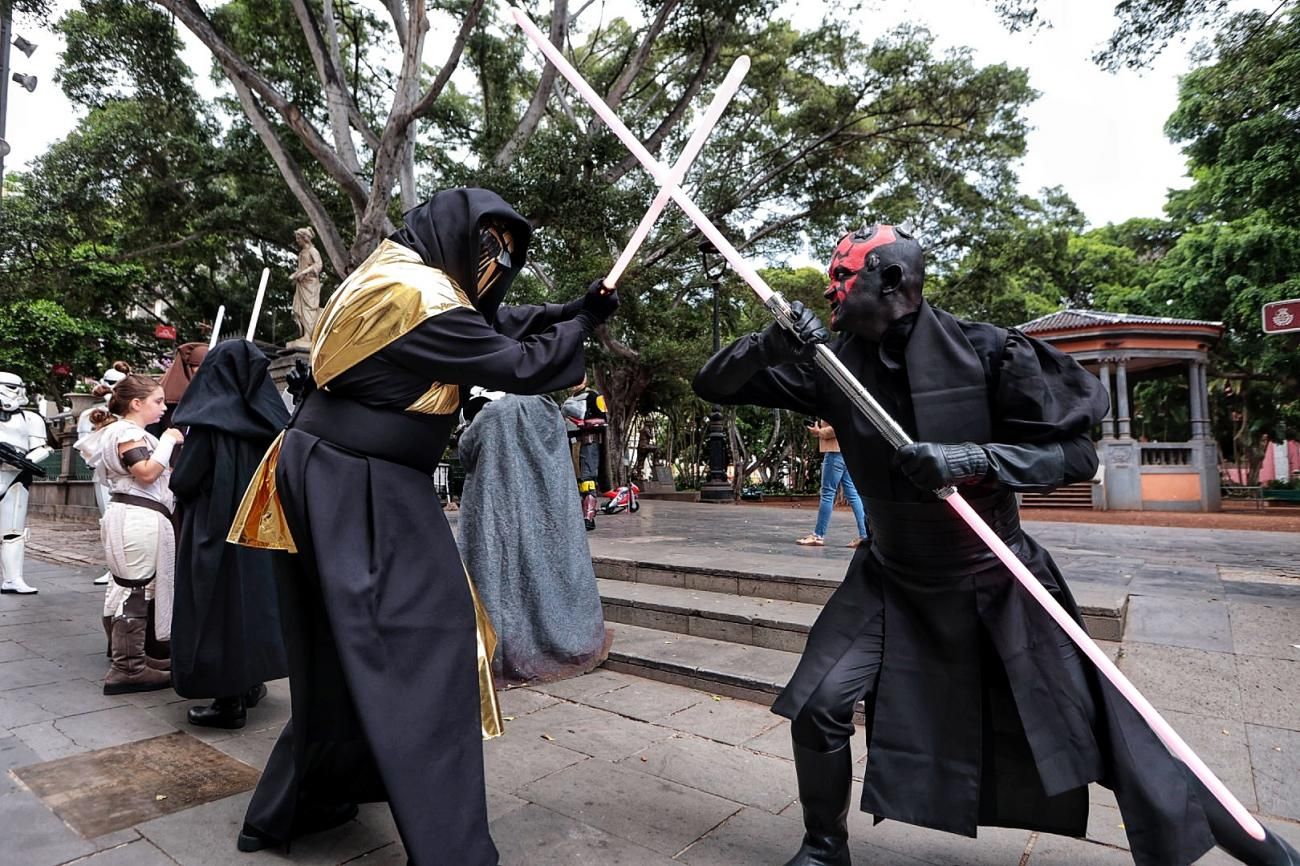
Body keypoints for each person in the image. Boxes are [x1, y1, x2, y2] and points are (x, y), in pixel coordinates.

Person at [693, 223, 1299, 866]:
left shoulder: (991, 353)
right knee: (818, 703)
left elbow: (1075, 455)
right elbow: (714, 383)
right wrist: (769, 341)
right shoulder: (833, 366)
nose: (830, 292)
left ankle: (1262, 851)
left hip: (993, 570)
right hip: (891, 572)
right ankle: (823, 847)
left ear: (892, 280)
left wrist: (973, 458)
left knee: (1109, 729)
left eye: (843, 277)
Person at [227, 187, 617, 864]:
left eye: (505, 251)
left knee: (340, 655)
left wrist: (573, 310)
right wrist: (583, 326)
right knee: (433, 652)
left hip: (340, 474)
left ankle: (310, 799)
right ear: (454, 236)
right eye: (487, 246)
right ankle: (450, 849)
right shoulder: (418, 298)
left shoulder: (393, 277)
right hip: (362, 482)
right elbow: (518, 362)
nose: (495, 262)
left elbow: (499, 323)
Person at [169, 340, 290, 729]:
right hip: (261, 531)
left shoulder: (209, 422)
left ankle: (227, 701)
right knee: (253, 605)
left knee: (216, 608)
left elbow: (185, 479)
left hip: (215, 530)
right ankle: (250, 682)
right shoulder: (274, 426)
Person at [458, 388, 610, 685]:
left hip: (499, 510)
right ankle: (564, 637)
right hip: (544, 511)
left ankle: (510, 650)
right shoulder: (549, 409)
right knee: (543, 576)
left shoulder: (492, 413)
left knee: (504, 582)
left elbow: (466, 451)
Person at [75, 373, 182, 695]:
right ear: (137, 403)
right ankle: (129, 669)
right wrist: (168, 440)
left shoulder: (122, 431)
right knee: (135, 590)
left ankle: (136, 660)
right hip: (137, 516)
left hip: (134, 516)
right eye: (158, 401)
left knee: (133, 587)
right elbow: (146, 473)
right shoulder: (125, 431)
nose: (163, 408)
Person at [0, 372, 53, 595]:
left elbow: (43, 448)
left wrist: (24, 461)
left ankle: (12, 578)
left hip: (16, 477)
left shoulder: (31, 419)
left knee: (12, 531)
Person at [78, 363, 130, 587]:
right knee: (109, 521)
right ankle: (112, 567)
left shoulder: (131, 410)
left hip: (132, 474)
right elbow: (86, 447)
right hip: (105, 473)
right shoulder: (90, 414)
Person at [798, 420, 868, 548]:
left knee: (827, 494)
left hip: (835, 453)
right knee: (853, 495)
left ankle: (818, 535)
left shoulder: (836, 404)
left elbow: (837, 428)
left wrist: (818, 432)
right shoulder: (850, 405)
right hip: (847, 453)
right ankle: (864, 535)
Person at [560, 377, 607, 530]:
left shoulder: (593, 396)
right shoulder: (567, 401)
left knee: (588, 480)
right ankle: (577, 516)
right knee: (576, 481)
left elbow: (603, 419)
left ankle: (588, 516)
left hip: (588, 442)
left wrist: (585, 422)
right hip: (572, 443)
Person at [289, 226, 324, 348]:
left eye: (298, 238)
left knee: (309, 309)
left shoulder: (313, 251)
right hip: (302, 284)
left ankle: (309, 336)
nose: (297, 240)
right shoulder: (302, 253)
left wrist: (304, 272)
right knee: (301, 309)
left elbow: (319, 265)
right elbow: (301, 268)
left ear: (304, 238)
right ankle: (305, 334)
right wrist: (295, 275)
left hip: (310, 284)